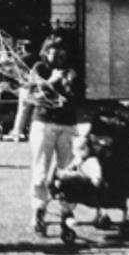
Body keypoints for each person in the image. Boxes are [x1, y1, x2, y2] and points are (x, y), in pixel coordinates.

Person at [23, 35, 79, 239]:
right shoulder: (39, 68)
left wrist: (70, 84)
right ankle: (39, 210)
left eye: (63, 50)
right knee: (41, 170)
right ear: (46, 52)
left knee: (69, 171)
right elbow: (31, 96)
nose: (60, 54)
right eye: (55, 49)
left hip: (68, 124)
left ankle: (67, 210)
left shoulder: (72, 69)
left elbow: (76, 96)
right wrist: (52, 81)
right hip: (44, 123)